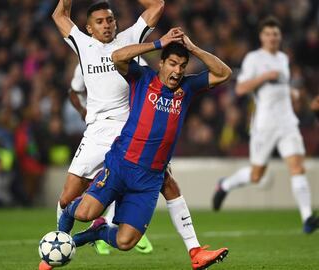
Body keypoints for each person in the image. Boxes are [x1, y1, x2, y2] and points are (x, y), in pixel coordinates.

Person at [45, 1, 215, 269]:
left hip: (131, 127)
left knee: (166, 182)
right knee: (67, 198)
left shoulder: (131, 36)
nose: (106, 25)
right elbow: (59, 14)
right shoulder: (82, 43)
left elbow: (157, 5)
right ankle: (62, 244)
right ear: (89, 28)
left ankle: (194, 249)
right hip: (98, 129)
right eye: (99, 22)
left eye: (110, 20)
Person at [212, 16, 319, 234]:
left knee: (297, 166)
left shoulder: (283, 58)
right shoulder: (253, 59)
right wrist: (264, 77)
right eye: (268, 34)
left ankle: (307, 218)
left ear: (280, 37)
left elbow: (281, 89)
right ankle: (225, 185)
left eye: (275, 34)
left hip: (288, 122)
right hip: (264, 125)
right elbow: (241, 89)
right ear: (261, 37)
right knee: (256, 175)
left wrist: (295, 94)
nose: (272, 37)